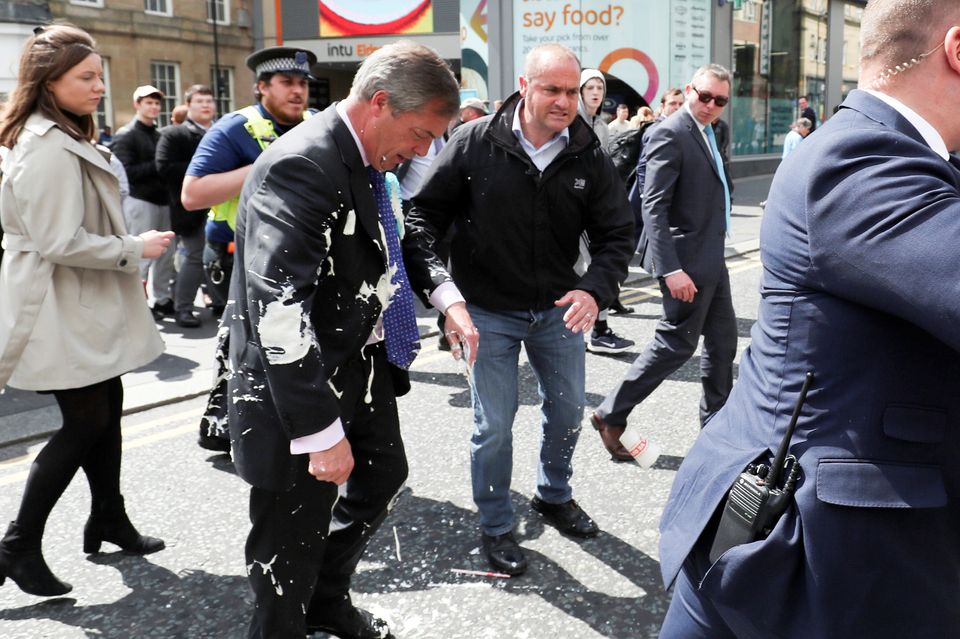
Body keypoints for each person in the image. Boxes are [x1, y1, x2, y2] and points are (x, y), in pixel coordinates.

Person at [658, 2, 960, 636]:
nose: (715, 105)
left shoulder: (897, 152)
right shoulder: (859, 160)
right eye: (709, 96)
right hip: (796, 563)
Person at [226, 40, 459, 638]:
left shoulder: (373, 161)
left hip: (360, 361)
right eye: (422, 133)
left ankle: (328, 599)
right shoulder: (303, 164)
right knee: (289, 544)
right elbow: (277, 309)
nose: (425, 149)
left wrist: (446, 298)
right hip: (297, 386)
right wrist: (320, 433)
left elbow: (397, 236)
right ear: (380, 104)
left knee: (382, 474)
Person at [403, 43, 635, 577]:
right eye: (551, 89)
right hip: (487, 311)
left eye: (572, 91)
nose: (563, 102)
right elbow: (422, 221)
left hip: (559, 310)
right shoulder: (474, 141)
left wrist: (595, 290)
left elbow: (616, 233)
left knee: (569, 408)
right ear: (525, 86)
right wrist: (446, 298)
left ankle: (553, 495)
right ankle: (496, 523)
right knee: (494, 425)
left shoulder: (586, 150)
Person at [0, 24, 172, 597]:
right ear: (50, 83)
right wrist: (136, 250)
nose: (100, 86)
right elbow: (57, 241)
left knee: (109, 406)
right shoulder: (45, 146)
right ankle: (17, 546)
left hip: (81, 297)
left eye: (100, 75)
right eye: (87, 77)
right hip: (57, 301)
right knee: (85, 422)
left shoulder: (63, 133)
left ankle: (109, 518)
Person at [591, 64, 737, 461]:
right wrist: (671, 269)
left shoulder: (709, 131)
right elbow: (654, 205)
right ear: (689, 89)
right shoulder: (669, 132)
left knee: (723, 345)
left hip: (711, 256)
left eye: (719, 100)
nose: (709, 105)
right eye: (703, 96)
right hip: (686, 261)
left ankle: (715, 432)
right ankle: (610, 413)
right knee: (675, 343)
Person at [181, 46, 317, 453]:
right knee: (244, 347)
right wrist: (268, 162)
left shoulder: (314, 124)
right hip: (235, 256)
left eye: (303, 83)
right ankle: (239, 430)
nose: (298, 91)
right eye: (286, 83)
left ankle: (243, 427)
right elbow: (192, 194)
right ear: (262, 88)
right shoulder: (234, 128)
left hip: (295, 256)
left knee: (285, 343)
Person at [578, 68, 635, 348]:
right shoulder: (571, 122)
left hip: (593, 206)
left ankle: (598, 329)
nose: (596, 93)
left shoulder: (600, 125)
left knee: (596, 263)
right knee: (580, 267)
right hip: (572, 206)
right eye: (589, 88)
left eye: (599, 88)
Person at [155, 84, 216, 328]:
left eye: (209, 100)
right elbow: (164, 167)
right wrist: (205, 171)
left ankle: (219, 300)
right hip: (191, 209)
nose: (206, 105)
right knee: (195, 256)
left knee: (219, 258)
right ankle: (184, 308)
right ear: (188, 105)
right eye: (200, 101)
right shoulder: (174, 134)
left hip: (224, 207)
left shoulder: (223, 130)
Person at [112, 84, 173, 318]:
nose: (154, 107)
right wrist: (159, 164)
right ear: (137, 104)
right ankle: (137, 303)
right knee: (139, 255)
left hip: (162, 200)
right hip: (140, 201)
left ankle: (162, 298)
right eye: (149, 102)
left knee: (166, 254)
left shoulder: (159, 135)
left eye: (157, 103)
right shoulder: (126, 134)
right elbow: (125, 171)